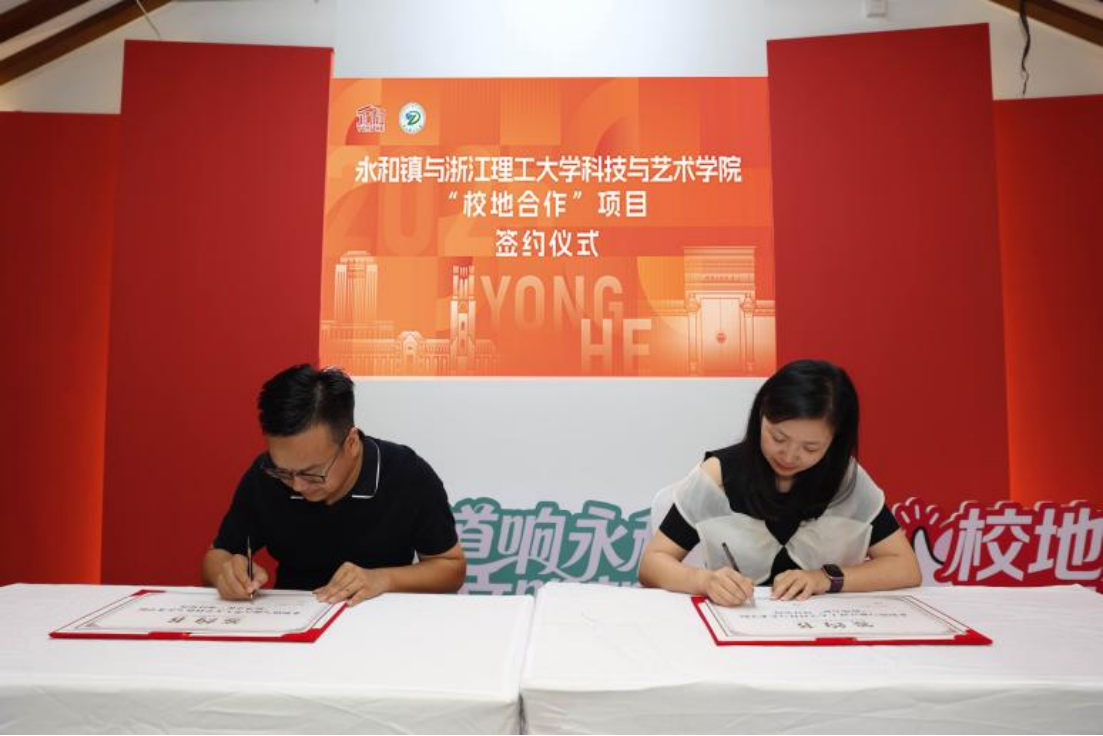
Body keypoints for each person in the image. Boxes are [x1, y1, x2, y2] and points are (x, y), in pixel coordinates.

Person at [638, 359, 921, 606]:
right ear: (761, 415)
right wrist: (704, 581)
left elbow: (905, 567)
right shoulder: (719, 477)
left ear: (835, 442)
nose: (789, 456)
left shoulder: (845, 480)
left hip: (822, 632)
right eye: (778, 438)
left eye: (810, 447)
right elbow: (652, 563)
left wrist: (824, 578)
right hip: (740, 626)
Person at [201, 364, 466, 605]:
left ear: (351, 444)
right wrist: (228, 573)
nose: (297, 486)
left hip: (381, 619)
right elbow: (216, 556)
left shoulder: (405, 474)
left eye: (312, 473)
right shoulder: (265, 475)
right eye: (284, 472)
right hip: (293, 620)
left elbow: (451, 568)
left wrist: (383, 579)